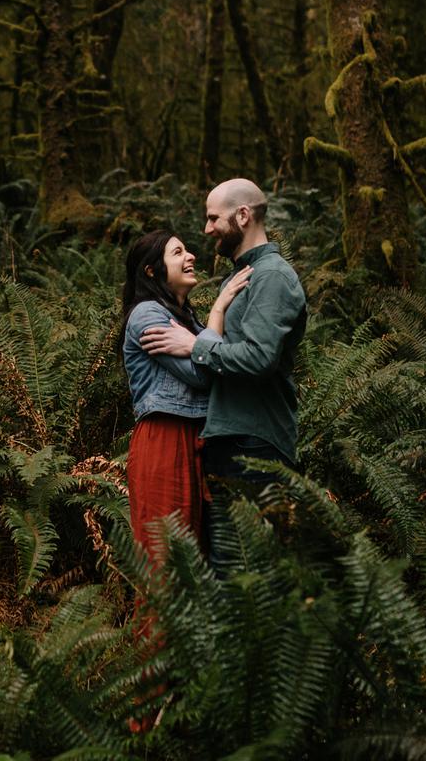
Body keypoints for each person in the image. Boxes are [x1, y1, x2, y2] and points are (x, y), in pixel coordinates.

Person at [140, 178, 307, 569]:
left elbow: (258, 358)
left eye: (214, 218)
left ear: (243, 215)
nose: (207, 229)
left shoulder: (272, 278)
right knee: (231, 569)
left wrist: (193, 346)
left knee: (245, 572)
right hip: (234, 441)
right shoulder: (246, 275)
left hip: (254, 443)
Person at [120, 230, 250, 566]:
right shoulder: (146, 314)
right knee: (167, 557)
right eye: (177, 253)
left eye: (187, 250)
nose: (190, 256)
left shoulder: (187, 320)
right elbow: (202, 373)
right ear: (151, 270)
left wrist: (200, 341)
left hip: (200, 438)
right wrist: (219, 309)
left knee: (199, 558)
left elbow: (214, 365)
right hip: (164, 439)